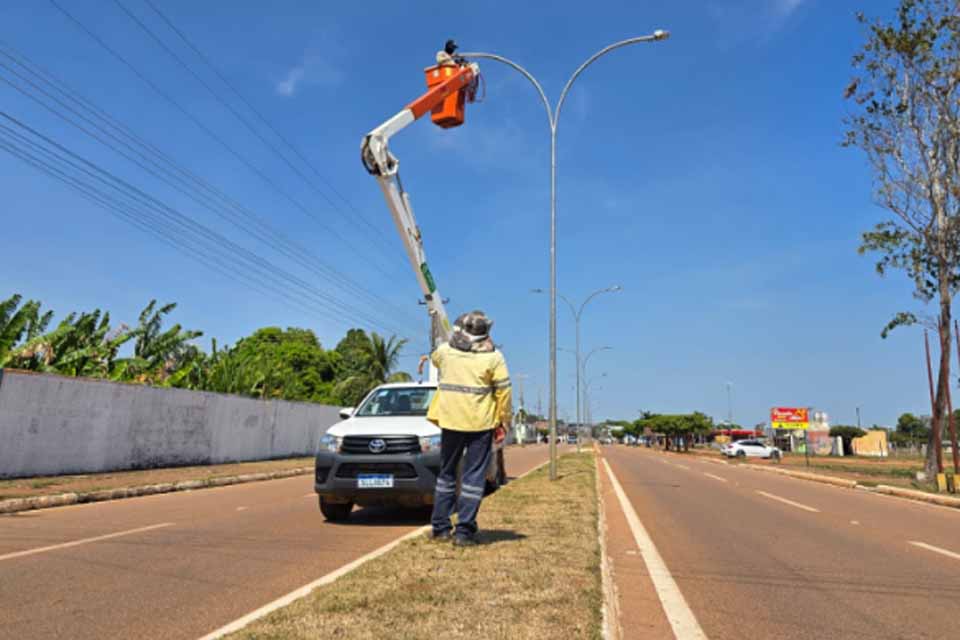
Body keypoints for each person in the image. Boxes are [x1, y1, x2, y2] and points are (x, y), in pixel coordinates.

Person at [418, 310, 511, 547]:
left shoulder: (446, 353)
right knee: (473, 478)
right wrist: (503, 421)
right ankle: (464, 531)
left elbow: (436, 356)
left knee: (446, 474)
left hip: (450, 422)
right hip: (480, 424)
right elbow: (504, 392)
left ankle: (440, 528)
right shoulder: (494, 358)